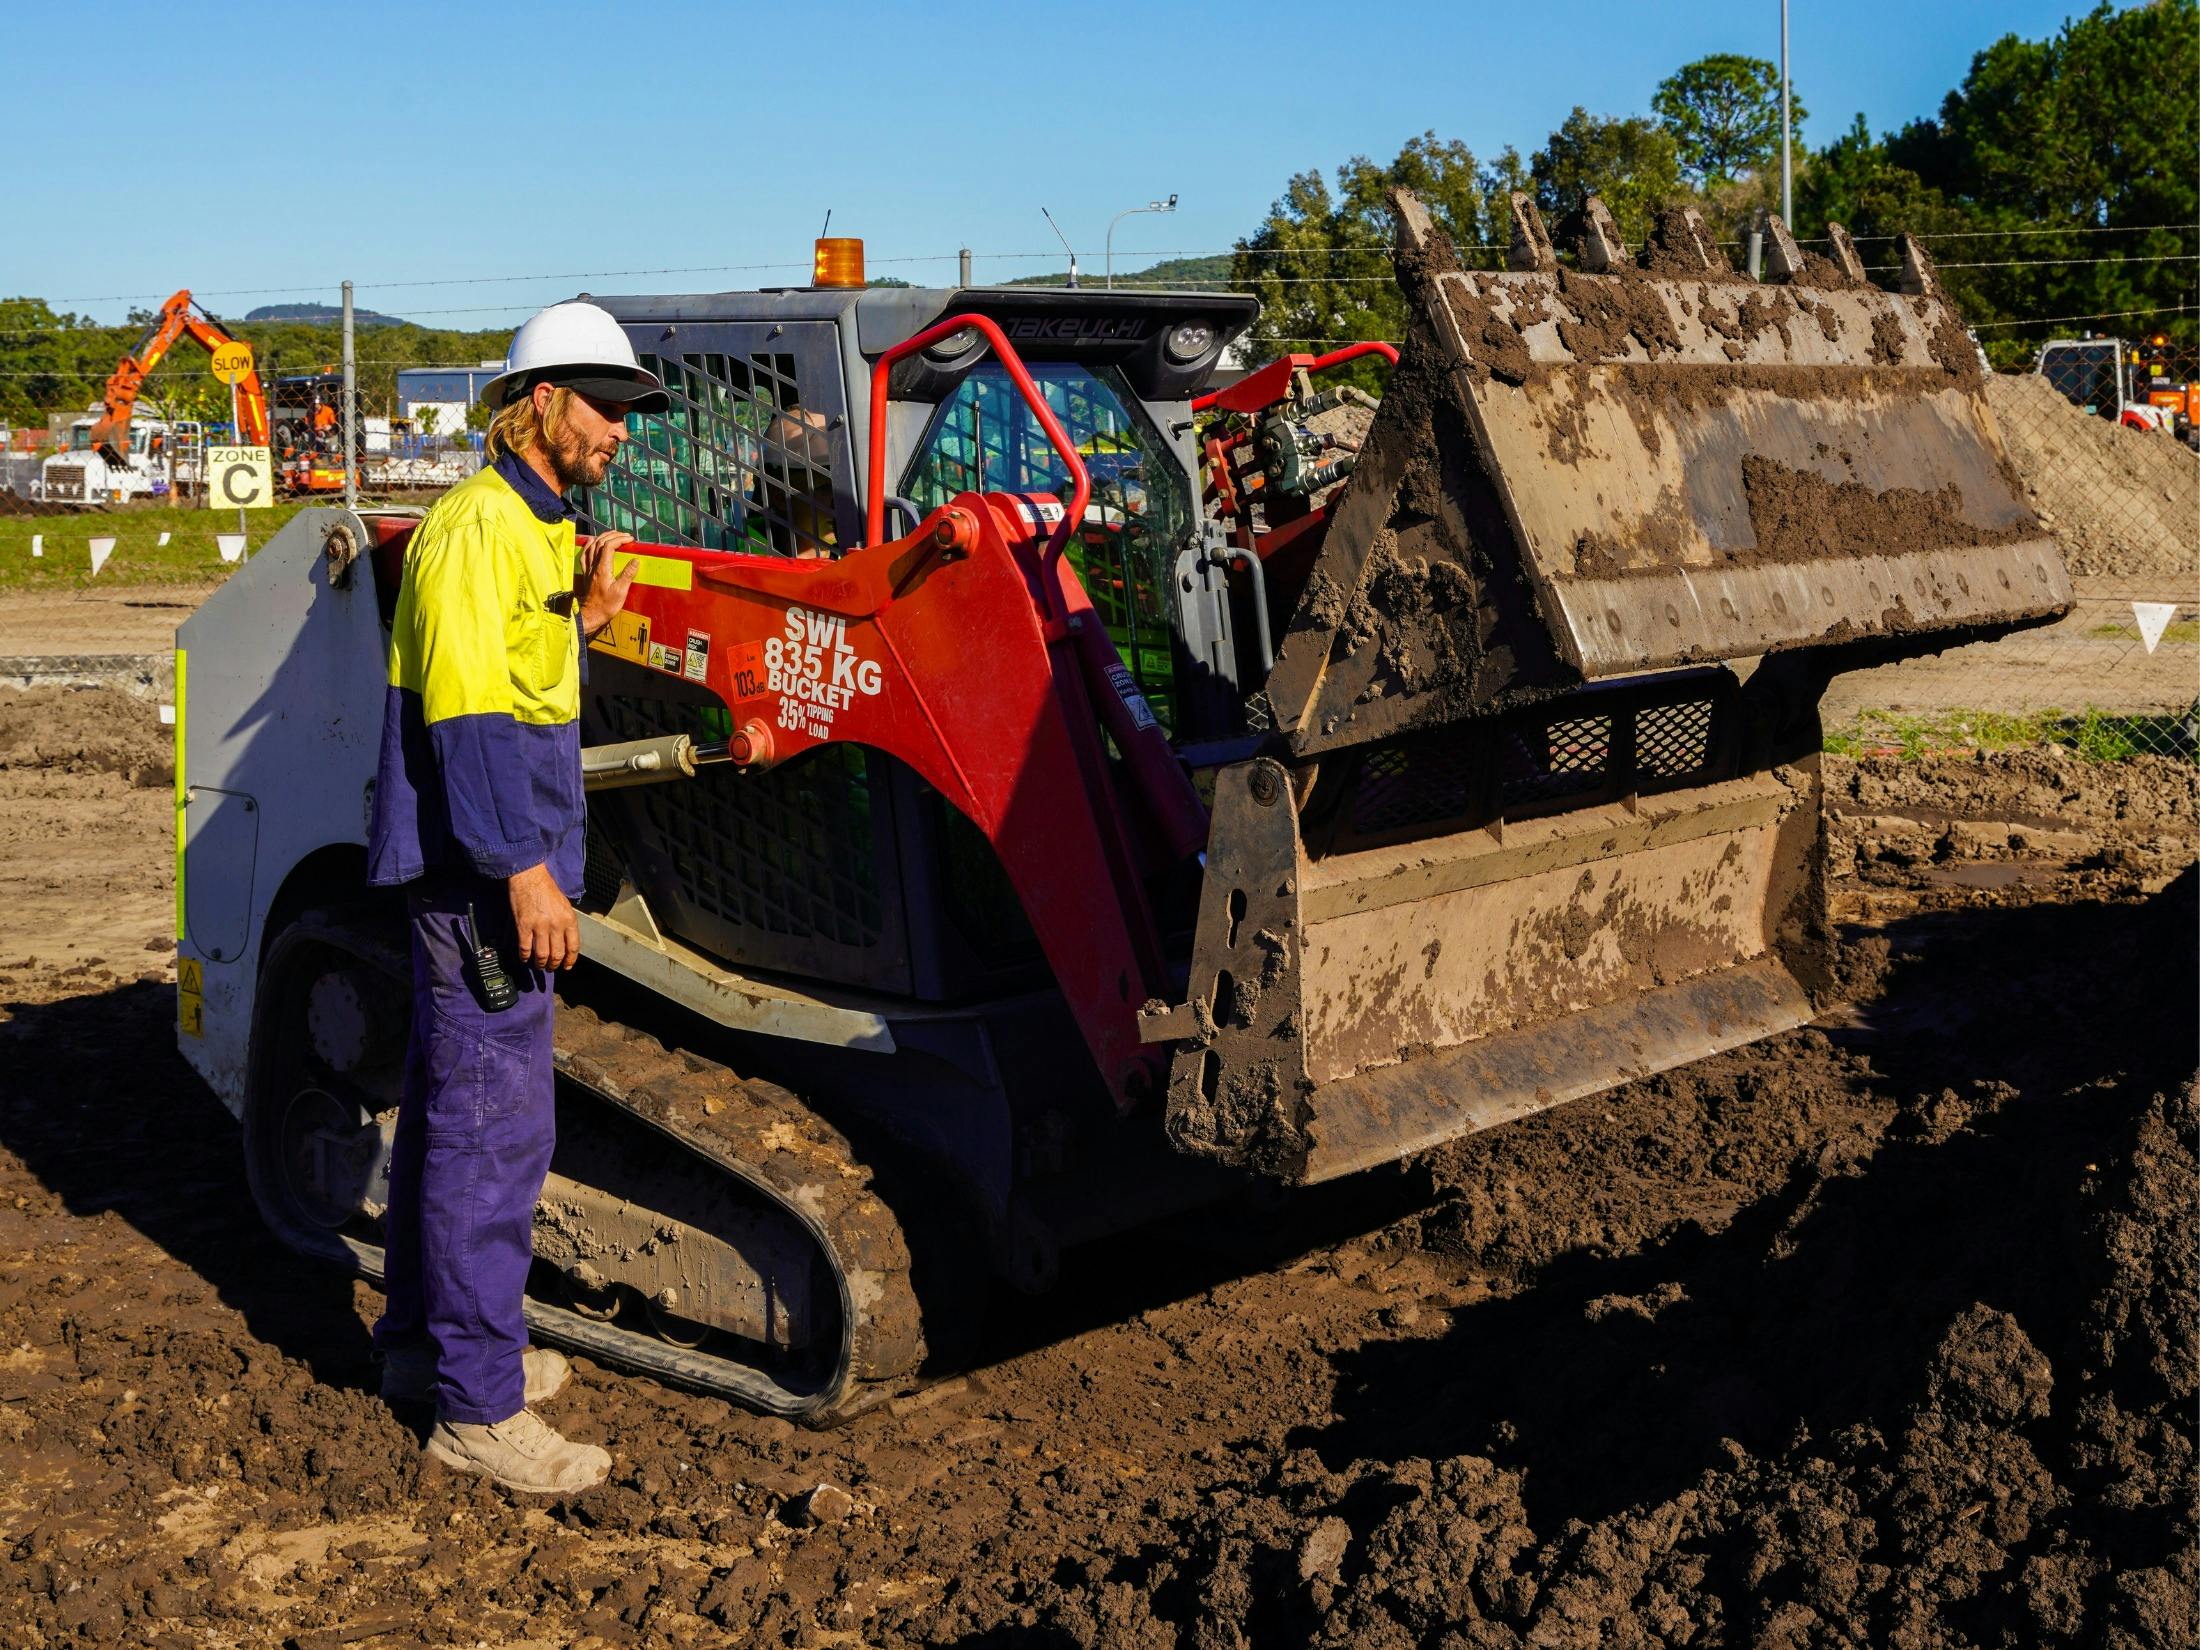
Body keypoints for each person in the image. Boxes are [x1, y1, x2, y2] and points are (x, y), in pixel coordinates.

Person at [365, 300, 667, 1493]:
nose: (623, 434)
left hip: (496, 862)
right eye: (607, 409)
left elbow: (520, 676)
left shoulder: (540, 528)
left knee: (448, 1121)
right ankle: (479, 1411)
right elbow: (467, 717)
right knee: (498, 1137)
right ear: (541, 402)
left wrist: (581, 623)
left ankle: (419, 1350)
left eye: (630, 413)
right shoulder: (481, 526)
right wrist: (526, 871)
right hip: (485, 876)